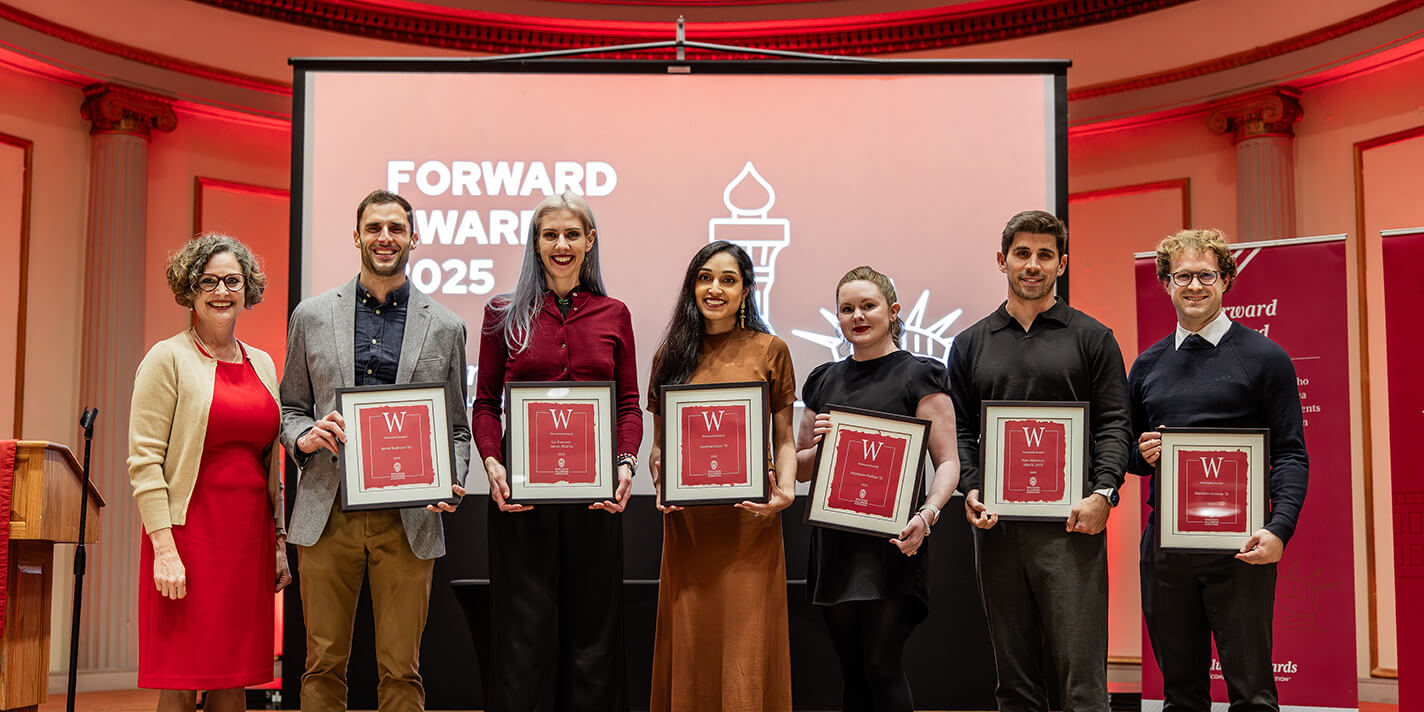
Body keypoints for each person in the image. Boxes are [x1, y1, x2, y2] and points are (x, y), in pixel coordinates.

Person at [279, 189, 471, 712]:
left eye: (396, 228)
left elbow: (457, 426)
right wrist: (303, 435)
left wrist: (451, 479)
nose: (385, 237)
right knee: (320, 665)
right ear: (357, 235)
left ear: (414, 237)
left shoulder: (447, 326)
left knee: (403, 671)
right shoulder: (312, 315)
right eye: (375, 227)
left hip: (410, 516)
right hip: (327, 509)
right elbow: (289, 406)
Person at [947, 210, 1131, 712]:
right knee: (1015, 680)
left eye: (1045, 255)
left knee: (1082, 682)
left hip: (1073, 528)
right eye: (1022, 254)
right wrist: (971, 486)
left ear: (1062, 264)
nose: (1032, 264)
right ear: (1002, 259)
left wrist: (1104, 491)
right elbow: (961, 429)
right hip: (999, 528)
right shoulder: (969, 344)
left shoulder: (1093, 338)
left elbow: (1116, 423)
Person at [473, 191, 642, 712]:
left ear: (590, 242)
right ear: (536, 243)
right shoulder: (503, 313)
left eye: (572, 234)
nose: (562, 245)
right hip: (521, 504)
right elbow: (484, 403)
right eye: (551, 235)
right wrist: (493, 463)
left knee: (595, 643)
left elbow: (630, 406)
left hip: (596, 504)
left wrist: (625, 463)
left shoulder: (615, 313)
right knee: (523, 645)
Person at [1130, 229, 1308, 712]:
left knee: (1252, 693)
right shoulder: (1147, 366)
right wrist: (1139, 453)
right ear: (1165, 283)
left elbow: (1291, 453)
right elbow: (1128, 452)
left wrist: (1279, 529)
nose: (1194, 286)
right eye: (1182, 276)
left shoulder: (1266, 359)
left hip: (1242, 547)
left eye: (1206, 275)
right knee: (1181, 695)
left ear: (1226, 280)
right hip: (1166, 549)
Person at [128, 234, 290, 712]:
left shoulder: (262, 362)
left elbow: (270, 464)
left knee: (232, 678)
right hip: (187, 537)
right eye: (209, 281)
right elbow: (144, 461)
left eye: (232, 281)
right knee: (182, 676)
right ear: (190, 289)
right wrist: (163, 550)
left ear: (247, 289)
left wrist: (278, 544)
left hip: (247, 540)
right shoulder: (167, 358)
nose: (222, 291)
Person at [793, 265, 962, 712]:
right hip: (835, 545)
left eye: (868, 306)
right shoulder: (823, 380)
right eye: (847, 309)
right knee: (852, 670)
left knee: (882, 665)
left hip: (893, 543)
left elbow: (948, 463)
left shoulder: (920, 375)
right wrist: (823, 445)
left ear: (892, 311)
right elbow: (800, 468)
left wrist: (927, 516)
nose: (858, 316)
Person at [645, 241, 798, 711]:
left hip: (750, 523)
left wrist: (787, 491)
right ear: (692, 285)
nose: (715, 289)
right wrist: (661, 483)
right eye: (705, 278)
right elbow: (658, 448)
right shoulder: (669, 356)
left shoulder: (772, 350)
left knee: (747, 648)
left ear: (746, 290)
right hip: (689, 527)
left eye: (728, 280)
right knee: (693, 642)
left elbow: (785, 440)